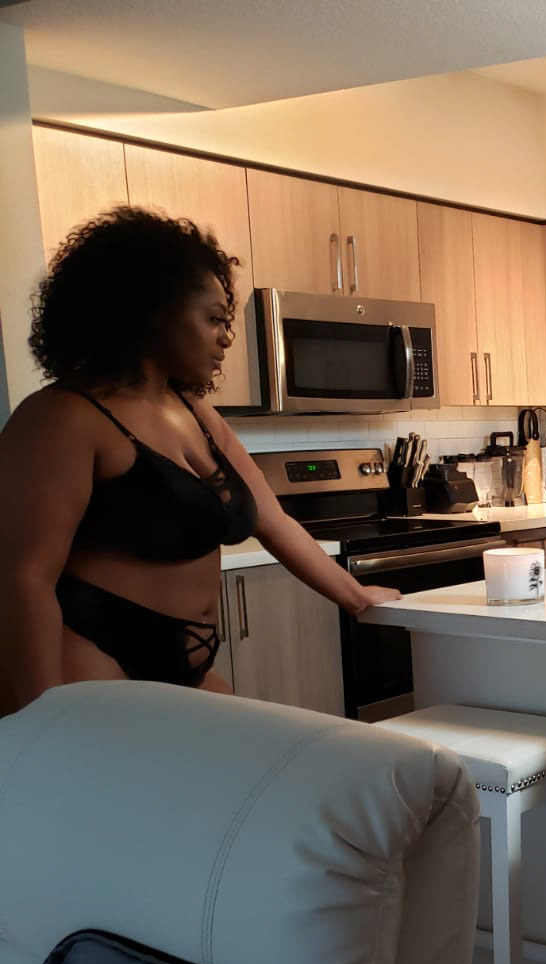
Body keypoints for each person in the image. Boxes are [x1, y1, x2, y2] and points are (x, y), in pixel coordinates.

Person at [0, 207, 399, 715]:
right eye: (213, 319)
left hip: (190, 661)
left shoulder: (195, 412)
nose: (227, 337)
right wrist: (39, 719)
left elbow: (273, 521)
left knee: (252, 754)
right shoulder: (64, 416)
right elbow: (23, 577)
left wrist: (356, 596)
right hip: (91, 654)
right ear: (151, 312)